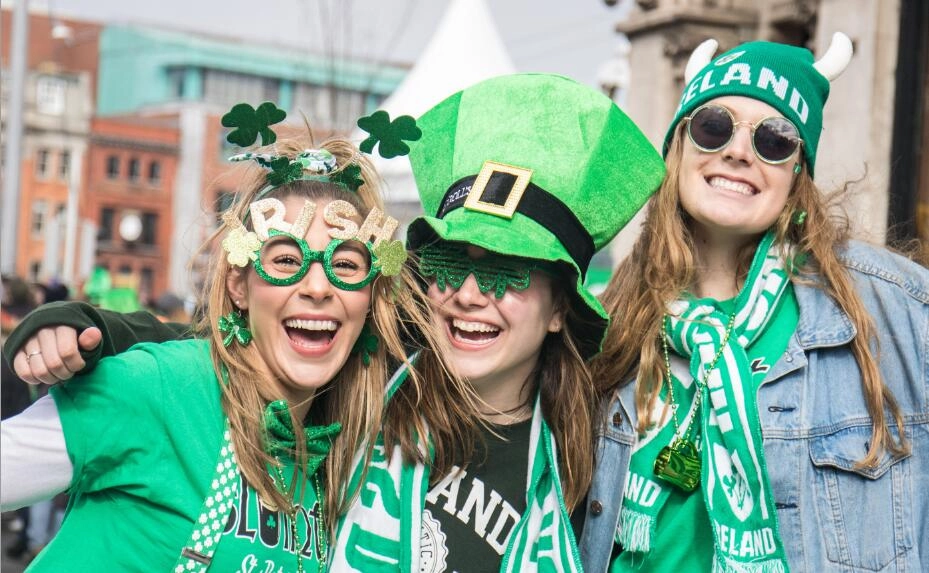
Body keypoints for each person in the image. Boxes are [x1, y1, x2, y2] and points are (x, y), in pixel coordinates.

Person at [4, 74, 667, 572]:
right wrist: (93, 328)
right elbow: (219, 361)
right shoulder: (371, 394)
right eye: (446, 261)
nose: (469, 294)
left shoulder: (589, 453)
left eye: (506, 273)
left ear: (561, 307)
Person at [0, 109, 455, 571]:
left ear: (370, 297)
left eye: (345, 266)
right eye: (284, 260)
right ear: (239, 285)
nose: (318, 288)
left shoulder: (334, 459)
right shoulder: (163, 387)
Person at [579, 33, 929, 572]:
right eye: (713, 127)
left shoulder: (890, 309)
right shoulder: (614, 323)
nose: (738, 151)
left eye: (775, 138)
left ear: (797, 173)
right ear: (678, 149)